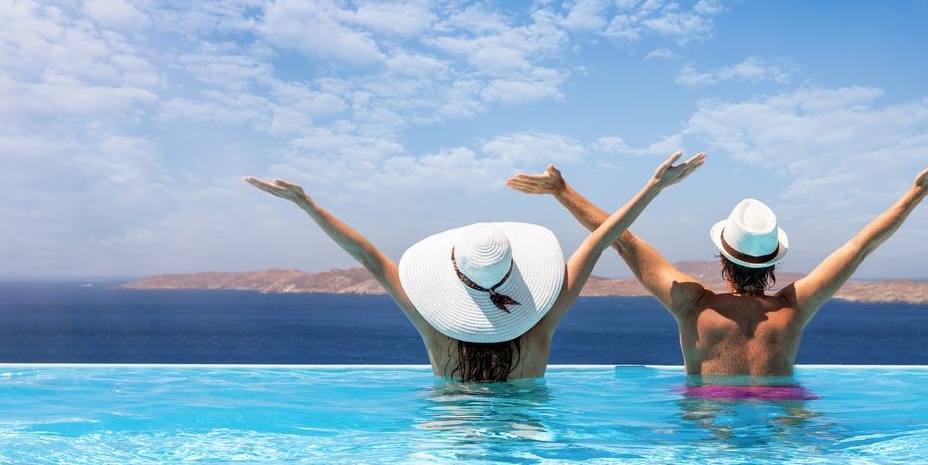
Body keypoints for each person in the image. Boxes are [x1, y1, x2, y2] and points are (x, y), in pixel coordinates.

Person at [245, 151, 705, 382]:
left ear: (451, 277)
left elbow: (365, 254)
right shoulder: (541, 324)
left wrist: (306, 204)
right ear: (515, 270)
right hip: (529, 448)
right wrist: (653, 188)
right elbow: (603, 238)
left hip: (447, 448)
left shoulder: (433, 329)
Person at [507, 159, 928, 379]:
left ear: (722, 255)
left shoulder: (691, 304)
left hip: (711, 423)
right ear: (775, 262)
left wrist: (561, 190)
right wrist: (916, 194)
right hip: (787, 418)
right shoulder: (793, 307)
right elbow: (861, 245)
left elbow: (621, 240)